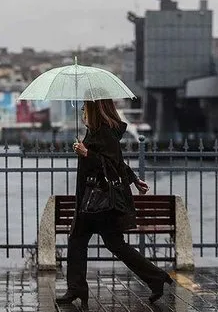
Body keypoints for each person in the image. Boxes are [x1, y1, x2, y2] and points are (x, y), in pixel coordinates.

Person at [56, 98, 172, 308]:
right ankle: (77, 288)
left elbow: (108, 164)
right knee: (81, 241)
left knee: (103, 243)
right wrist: (135, 180)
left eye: (85, 106)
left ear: (95, 109)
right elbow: (118, 162)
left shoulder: (105, 132)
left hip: (99, 202)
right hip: (91, 201)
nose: (82, 109)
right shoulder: (96, 132)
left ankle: (154, 277)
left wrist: (86, 154)